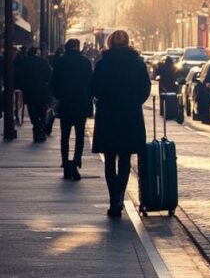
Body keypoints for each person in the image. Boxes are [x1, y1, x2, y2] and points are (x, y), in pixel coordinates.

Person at [91, 30, 150, 218]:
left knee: (109, 159)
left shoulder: (102, 63)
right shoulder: (137, 64)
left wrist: (105, 100)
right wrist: (134, 102)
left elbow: (94, 87)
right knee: (124, 159)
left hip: (108, 115)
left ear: (110, 43)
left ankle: (112, 198)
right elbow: (145, 88)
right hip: (129, 115)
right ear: (128, 42)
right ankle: (119, 197)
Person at [51, 39, 93, 181]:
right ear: (77, 47)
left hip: (66, 103)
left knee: (65, 135)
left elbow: (54, 82)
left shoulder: (61, 62)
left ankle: (65, 163)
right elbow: (91, 83)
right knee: (80, 136)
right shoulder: (85, 62)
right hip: (81, 103)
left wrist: (58, 96)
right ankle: (76, 162)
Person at [20, 47, 53, 142]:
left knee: (32, 111)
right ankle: (40, 130)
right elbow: (49, 75)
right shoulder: (43, 61)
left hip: (30, 91)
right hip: (42, 91)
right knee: (42, 112)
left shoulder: (25, 63)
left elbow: (22, 77)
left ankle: (36, 128)